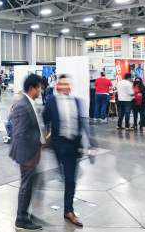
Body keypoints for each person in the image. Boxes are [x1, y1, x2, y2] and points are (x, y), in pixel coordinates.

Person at [43, 74, 96, 227]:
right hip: (58, 145)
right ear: (57, 86)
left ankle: (68, 210)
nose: (65, 87)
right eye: (62, 84)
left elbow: (83, 124)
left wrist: (90, 144)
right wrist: (45, 136)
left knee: (70, 179)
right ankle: (67, 203)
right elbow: (45, 118)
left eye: (68, 84)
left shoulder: (77, 102)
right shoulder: (51, 101)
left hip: (73, 145)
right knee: (64, 177)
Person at [9, 74, 45, 231]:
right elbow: (18, 133)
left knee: (30, 184)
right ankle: (21, 219)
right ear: (32, 89)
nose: (41, 91)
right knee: (26, 185)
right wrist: (27, 158)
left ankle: (25, 213)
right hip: (26, 155)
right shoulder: (23, 105)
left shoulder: (29, 103)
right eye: (39, 88)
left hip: (32, 152)